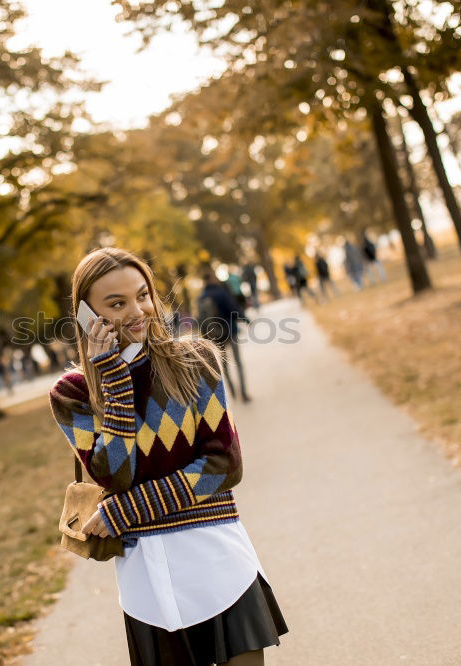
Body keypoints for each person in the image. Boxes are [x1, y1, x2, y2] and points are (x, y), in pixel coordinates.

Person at [48, 248, 287, 666]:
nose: (138, 310)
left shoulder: (196, 360)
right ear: (88, 316)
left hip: (218, 557)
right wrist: (114, 383)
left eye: (143, 295)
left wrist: (127, 512)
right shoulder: (72, 393)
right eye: (117, 303)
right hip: (148, 579)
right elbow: (115, 475)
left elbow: (223, 466)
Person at [198, 270, 251, 404]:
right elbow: (233, 308)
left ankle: (232, 392)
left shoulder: (201, 297)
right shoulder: (221, 293)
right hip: (230, 331)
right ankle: (243, 393)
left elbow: (200, 320)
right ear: (212, 279)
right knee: (238, 363)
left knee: (225, 365)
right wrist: (245, 319)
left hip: (215, 336)